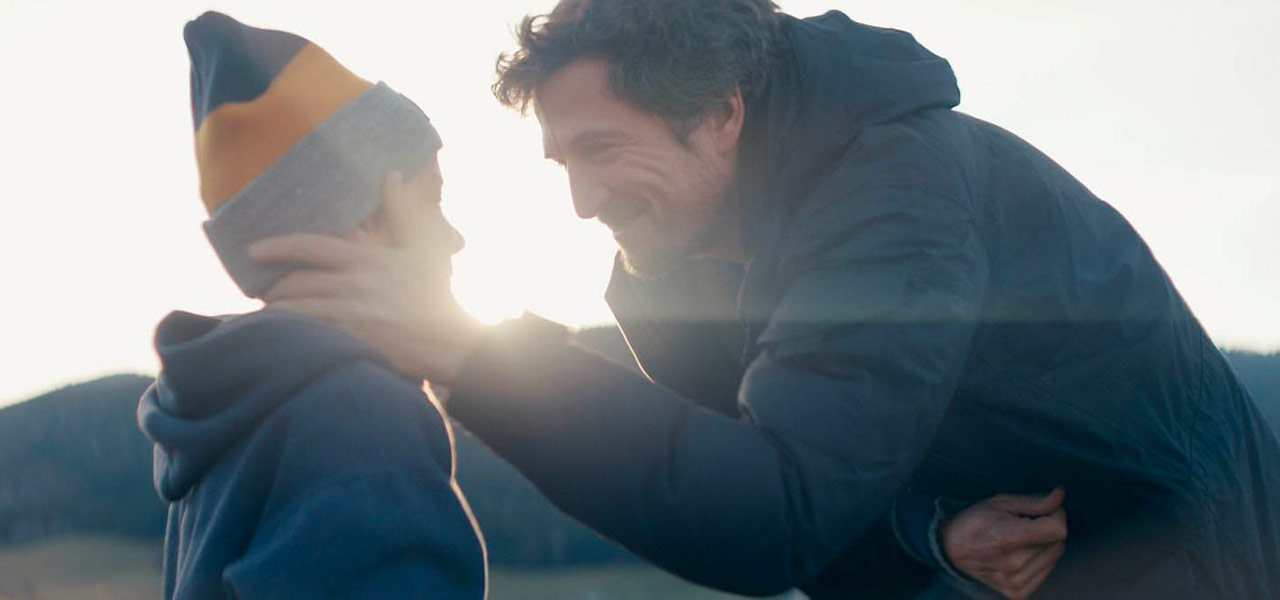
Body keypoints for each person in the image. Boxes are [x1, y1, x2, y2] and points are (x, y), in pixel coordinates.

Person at [250, 0, 1280, 598]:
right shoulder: (662, 270)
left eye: (600, 150)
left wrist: (465, 352)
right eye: (561, 161)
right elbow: (792, 520)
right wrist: (927, 537)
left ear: (721, 115)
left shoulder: (894, 188)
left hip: (1182, 553)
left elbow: (773, 513)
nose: (580, 202)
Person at [136, 12, 485, 599]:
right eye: (432, 201)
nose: (455, 237)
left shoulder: (231, 414)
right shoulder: (359, 413)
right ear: (360, 227)